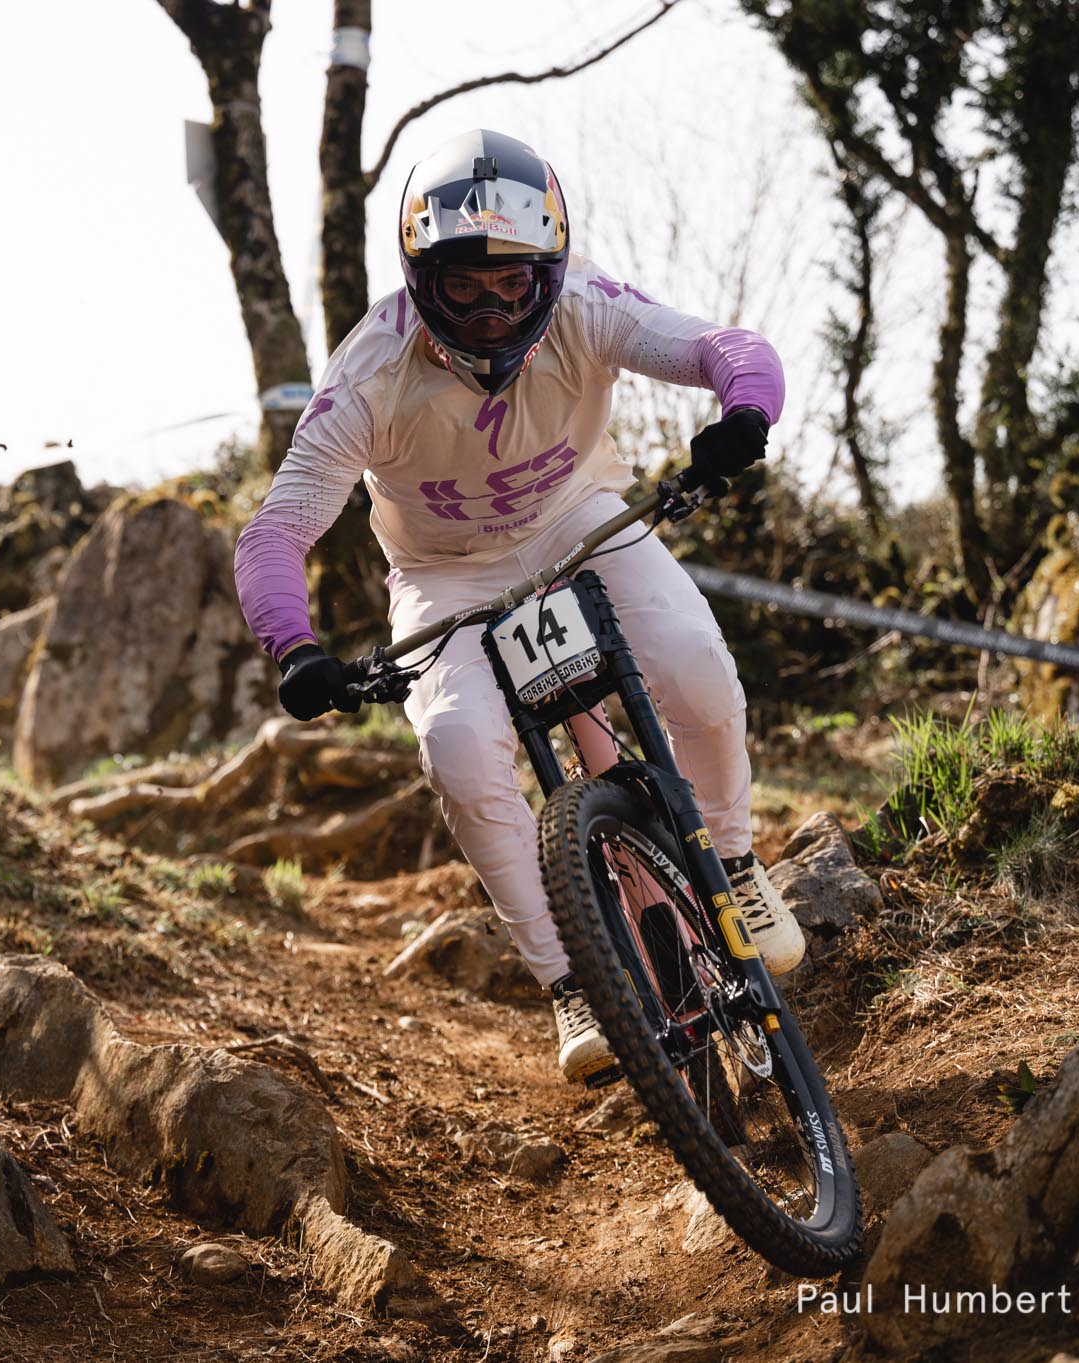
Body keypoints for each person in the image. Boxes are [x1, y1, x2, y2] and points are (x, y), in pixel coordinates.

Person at [233, 129, 806, 1084]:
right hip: (444, 572)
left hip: (578, 519)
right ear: (421, 279)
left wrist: (743, 414)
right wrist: (296, 648)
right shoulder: (367, 373)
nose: (493, 309)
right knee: (457, 749)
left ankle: (737, 867)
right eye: (464, 287)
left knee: (696, 665)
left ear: (552, 268)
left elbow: (726, 348)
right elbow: (276, 531)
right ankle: (569, 977)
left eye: (513, 281)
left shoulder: (586, 307)